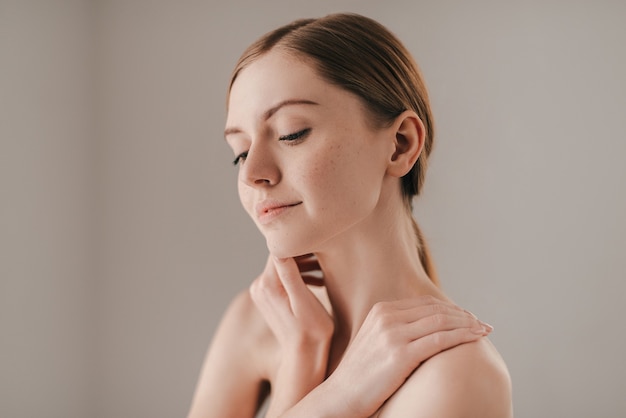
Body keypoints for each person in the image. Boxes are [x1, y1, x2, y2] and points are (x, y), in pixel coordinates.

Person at [188, 12, 512, 418]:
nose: (253, 173)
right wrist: (309, 374)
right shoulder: (258, 322)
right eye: (239, 152)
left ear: (399, 144)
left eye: (291, 133)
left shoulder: (455, 375)